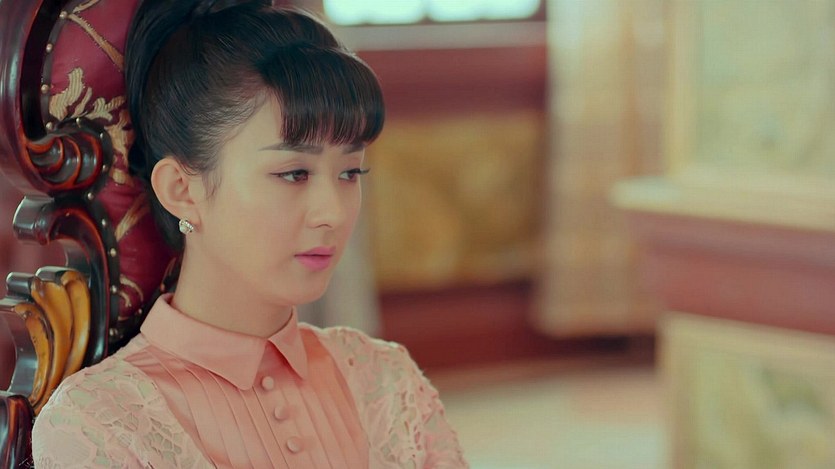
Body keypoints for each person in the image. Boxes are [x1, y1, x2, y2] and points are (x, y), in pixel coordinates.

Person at [31, 1, 467, 467]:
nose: (333, 214)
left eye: (350, 172)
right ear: (182, 190)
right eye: (294, 173)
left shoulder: (386, 381)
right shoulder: (99, 424)